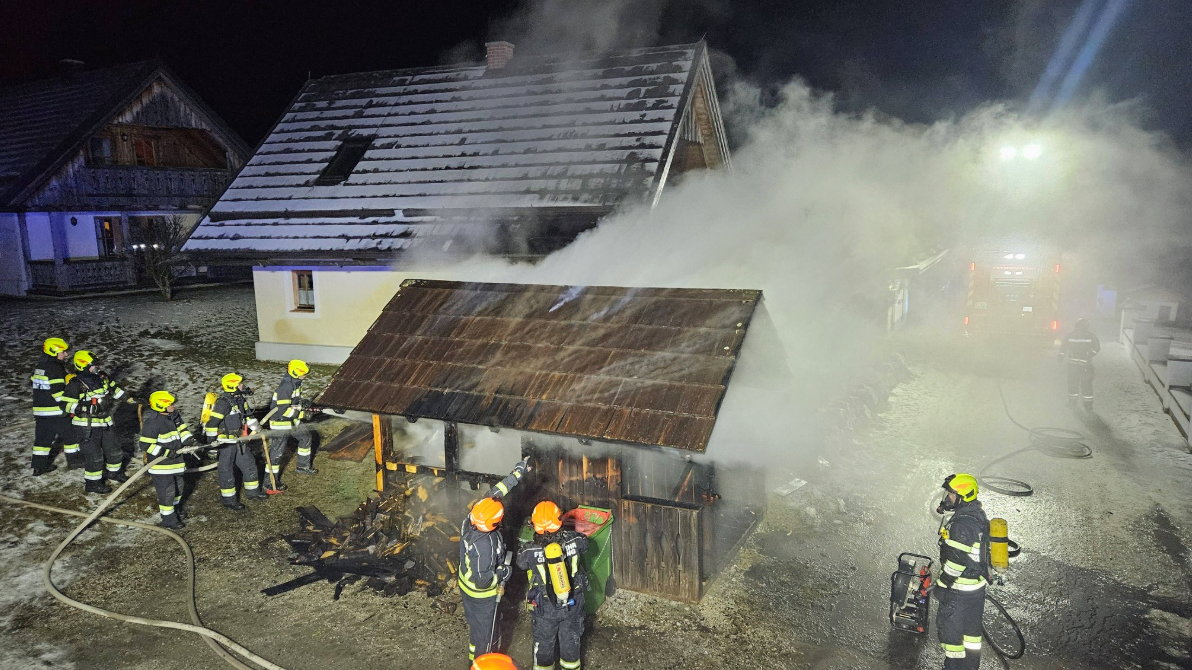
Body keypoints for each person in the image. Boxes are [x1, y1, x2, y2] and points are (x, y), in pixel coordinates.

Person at [460, 459, 531, 664]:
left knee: (477, 630)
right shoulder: (486, 545)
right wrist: (503, 573)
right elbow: (483, 579)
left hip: (467, 588)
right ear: (493, 523)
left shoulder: (473, 516)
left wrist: (517, 474)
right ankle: (484, 663)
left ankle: (475, 660)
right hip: (482, 595)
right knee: (487, 635)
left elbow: (495, 493)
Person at [518, 501, 589, 670]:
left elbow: (520, 562)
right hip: (572, 602)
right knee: (571, 644)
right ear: (559, 521)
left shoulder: (530, 550)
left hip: (544, 607)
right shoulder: (576, 539)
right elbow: (585, 544)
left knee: (543, 646)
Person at [934, 473, 990, 670]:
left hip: (959, 591)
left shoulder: (962, 525)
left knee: (952, 636)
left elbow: (956, 562)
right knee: (971, 637)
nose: (947, 497)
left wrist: (942, 585)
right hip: (976, 588)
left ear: (962, 496)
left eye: (951, 494)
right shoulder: (976, 514)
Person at [61, 350, 137, 493]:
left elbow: (115, 390)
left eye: (96, 365)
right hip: (86, 426)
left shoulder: (103, 378)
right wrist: (86, 408)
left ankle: (113, 473)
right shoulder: (76, 383)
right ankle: (92, 484)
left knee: (114, 450)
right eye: (92, 365)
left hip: (105, 421)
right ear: (82, 366)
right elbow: (64, 405)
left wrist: (130, 399)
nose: (96, 368)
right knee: (94, 456)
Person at [204, 373, 269, 509]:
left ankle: (253, 493)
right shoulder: (223, 403)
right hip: (226, 444)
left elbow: (248, 417)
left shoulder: (240, 400)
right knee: (226, 470)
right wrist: (212, 445)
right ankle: (229, 500)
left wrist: (258, 428)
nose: (243, 386)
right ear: (232, 386)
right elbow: (211, 424)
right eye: (240, 384)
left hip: (239, 441)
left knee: (249, 464)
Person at [139, 391, 195, 529]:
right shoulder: (152, 423)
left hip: (176, 463)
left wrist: (188, 439)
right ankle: (168, 518)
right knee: (167, 492)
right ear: (160, 406)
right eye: (170, 404)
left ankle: (175, 510)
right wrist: (165, 452)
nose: (173, 406)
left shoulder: (174, 416)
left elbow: (182, 429)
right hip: (161, 466)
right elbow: (145, 445)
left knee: (179, 488)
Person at [30, 337, 78, 474]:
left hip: (40, 412)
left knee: (42, 440)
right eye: (63, 352)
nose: (66, 354)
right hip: (56, 412)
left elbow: (34, 383)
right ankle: (75, 461)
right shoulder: (55, 368)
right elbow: (58, 393)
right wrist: (71, 406)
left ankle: (38, 467)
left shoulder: (40, 366)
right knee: (71, 436)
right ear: (54, 352)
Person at [267, 359, 314, 489]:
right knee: (277, 454)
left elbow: (292, 403)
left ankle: (302, 466)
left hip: (292, 421)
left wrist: (302, 403)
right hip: (280, 423)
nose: (305, 376)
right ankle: (269, 482)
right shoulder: (286, 387)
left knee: (305, 437)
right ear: (295, 373)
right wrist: (302, 415)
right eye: (303, 374)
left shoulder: (296, 384)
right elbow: (283, 410)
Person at [1058, 318, 1100, 409]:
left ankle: (1076, 403)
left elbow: (1063, 349)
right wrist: (1089, 354)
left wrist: (1060, 359)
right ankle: (1086, 404)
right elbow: (1096, 348)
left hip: (1076, 366)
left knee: (1076, 384)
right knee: (1085, 385)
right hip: (1085, 366)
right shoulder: (1091, 336)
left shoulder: (1070, 336)